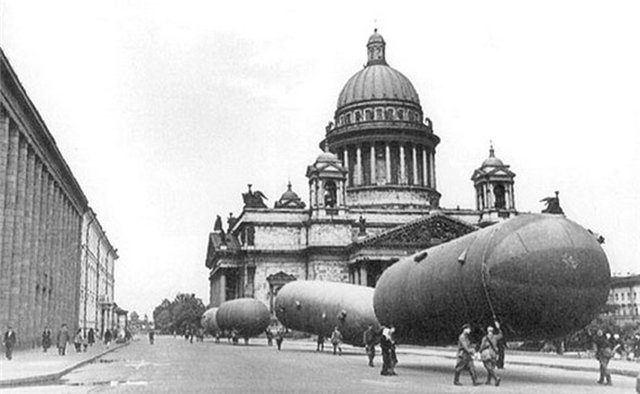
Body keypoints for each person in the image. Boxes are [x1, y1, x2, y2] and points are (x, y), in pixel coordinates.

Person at [479, 321, 503, 386]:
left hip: (487, 354)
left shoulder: (485, 338)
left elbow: (482, 346)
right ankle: (488, 380)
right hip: (494, 354)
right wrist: (498, 328)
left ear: (487, 331)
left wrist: (480, 351)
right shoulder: (495, 337)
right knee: (491, 367)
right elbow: (501, 335)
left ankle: (496, 378)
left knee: (488, 367)